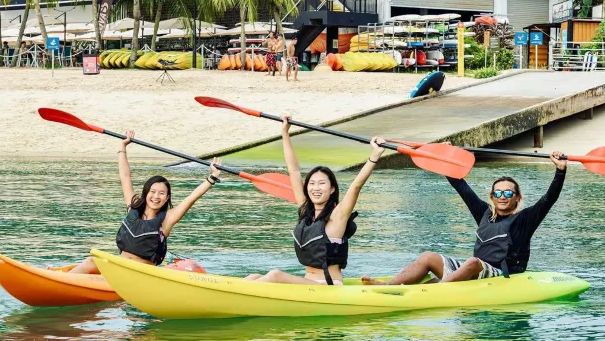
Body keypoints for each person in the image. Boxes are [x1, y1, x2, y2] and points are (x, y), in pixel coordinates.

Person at [362, 151, 567, 285]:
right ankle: (388, 286)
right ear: (492, 196)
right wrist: (446, 158)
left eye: (507, 194)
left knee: (472, 262)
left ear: (517, 197)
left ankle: (437, 290)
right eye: (498, 193)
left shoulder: (525, 220)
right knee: (427, 257)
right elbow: (462, 187)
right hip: (474, 272)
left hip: (502, 275)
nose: (502, 198)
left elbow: (549, 199)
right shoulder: (485, 213)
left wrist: (560, 170)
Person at [246, 116, 385, 285]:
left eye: (321, 184)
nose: (315, 188)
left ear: (332, 188)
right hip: (308, 284)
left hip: (328, 286)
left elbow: (356, 186)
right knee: (254, 277)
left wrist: (375, 155)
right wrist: (284, 133)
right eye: (311, 183)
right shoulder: (306, 211)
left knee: (275, 275)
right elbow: (294, 171)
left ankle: (235, 297)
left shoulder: (338, 216)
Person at [66, 131, 222, 274]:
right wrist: (122, 147)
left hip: (143, 275)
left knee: (91, 261)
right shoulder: (133, 206)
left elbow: (191, 197)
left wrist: (212, 177)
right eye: (153, 192)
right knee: (91, 262)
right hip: (120, 267)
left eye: (161, 193)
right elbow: (125, 176)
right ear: (146, 194)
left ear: (167, 198)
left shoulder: (167, 219)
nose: (156, 196)